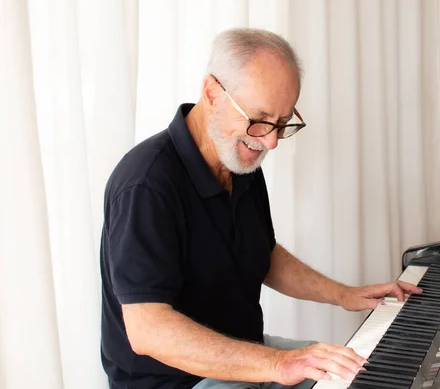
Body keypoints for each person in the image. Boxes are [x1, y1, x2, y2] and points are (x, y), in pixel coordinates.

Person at [100, 28, 421, 389]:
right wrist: (280, 364)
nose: (270, 141)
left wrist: (344, 295)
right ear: (211, 93)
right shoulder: (145, 184)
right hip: (180, 383)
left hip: (248, 358)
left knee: (368, 375)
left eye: (282, 124)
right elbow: (148, 330)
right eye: (260, 118)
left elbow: (261, 253)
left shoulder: (239, 162)